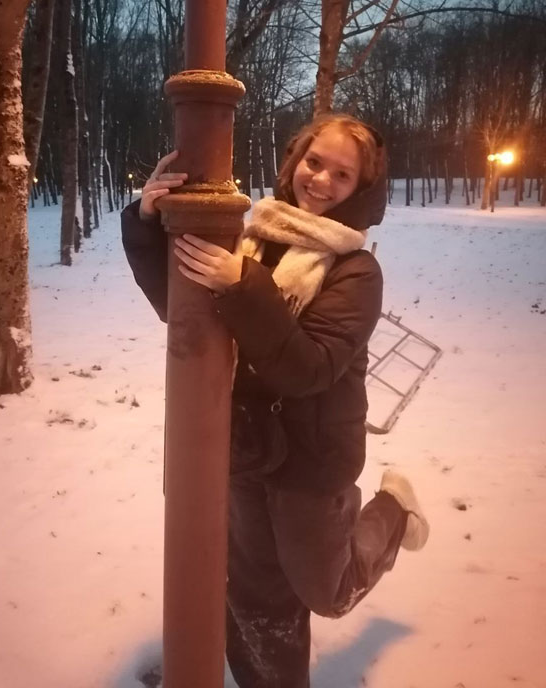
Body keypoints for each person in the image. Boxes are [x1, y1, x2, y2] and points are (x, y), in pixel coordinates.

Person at [121, 114, 429, 688]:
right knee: (257, 597)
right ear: (295, 162)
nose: (321, 180)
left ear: (361, 188)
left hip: (311, 462)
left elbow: (308, 368)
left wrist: (243, 284)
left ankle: (392, 511)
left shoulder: (356, 272)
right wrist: (147, 219)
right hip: (245, 448)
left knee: (328, 592)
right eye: (315, 162)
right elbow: (180, 307)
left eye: (342, 174)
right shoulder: (251, 237)